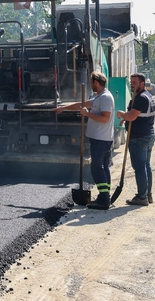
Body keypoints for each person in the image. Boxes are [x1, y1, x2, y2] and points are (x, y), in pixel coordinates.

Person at [56, 71, 115, 209]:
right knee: (103, 167)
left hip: (101, 138)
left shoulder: (105, 97)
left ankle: (104, 199)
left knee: (97, 168)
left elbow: (105, 118)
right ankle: (105, 196)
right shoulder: (99, 97)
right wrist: (63, 108)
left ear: (96, 82)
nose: (90, 85)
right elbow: (81, 104)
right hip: (100, 138)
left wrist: (87, 114)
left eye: (91, 82)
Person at [116, 73, 155, 207]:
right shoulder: (148, 96)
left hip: (139, 138)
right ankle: (147, 194)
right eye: (131, 82)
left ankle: (141, 197)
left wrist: (122, 114)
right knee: (146, 166)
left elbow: (132, 117)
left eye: (134, 82)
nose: (132, 84)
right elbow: (139, 115)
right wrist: (125, 118)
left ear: (142, 84)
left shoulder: (140, 98)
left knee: (139, 168)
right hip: (148, 135)